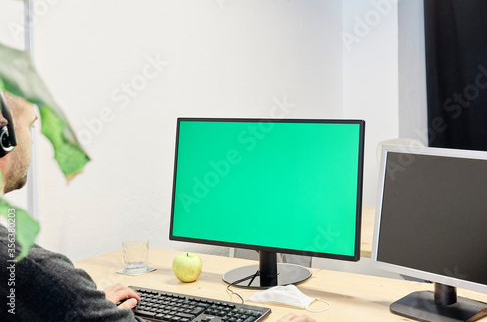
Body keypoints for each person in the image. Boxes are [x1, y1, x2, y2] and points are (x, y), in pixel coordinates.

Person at [0, 92, 315, 322]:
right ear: (4, 137)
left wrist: (88, 307)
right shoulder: (36, 271)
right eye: (31, 125)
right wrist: (78, 302)